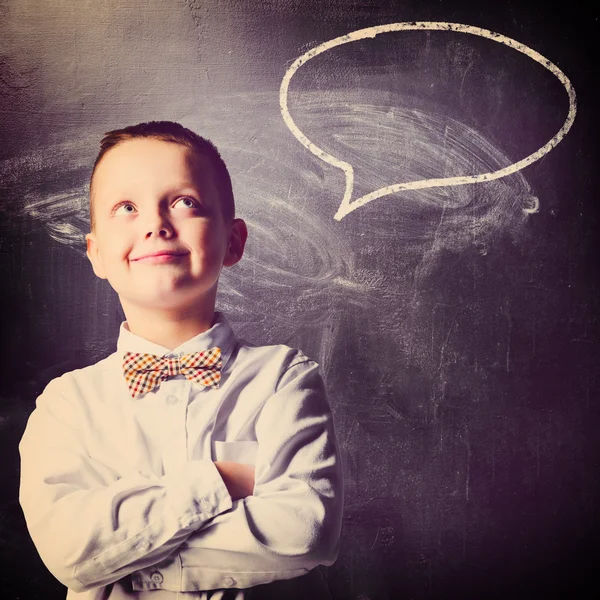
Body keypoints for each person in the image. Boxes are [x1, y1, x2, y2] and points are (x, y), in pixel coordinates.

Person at [19, 121, 344, 599]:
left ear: (233, 241)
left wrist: (120, 558)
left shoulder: (284, 380)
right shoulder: (65, 405)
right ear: (96, 255)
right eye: (126, 208)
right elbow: (68, 552)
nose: (155, 224)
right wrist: (219, 482)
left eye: (184, 202)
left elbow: (304, 533)